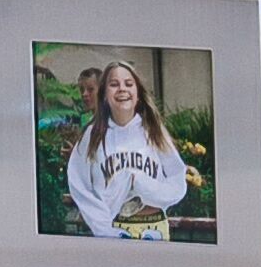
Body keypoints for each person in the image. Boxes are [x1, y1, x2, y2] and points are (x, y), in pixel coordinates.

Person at [66, 58, 189, 237]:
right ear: (104, 96)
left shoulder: (154, 131)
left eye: (129, 83)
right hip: (114, 229)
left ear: (137, 93)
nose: (122, 89)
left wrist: (141, 183)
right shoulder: (93, 135)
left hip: (154, 228)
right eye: (114, 84)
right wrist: (104, 229)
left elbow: (177, 180)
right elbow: (79, 186)